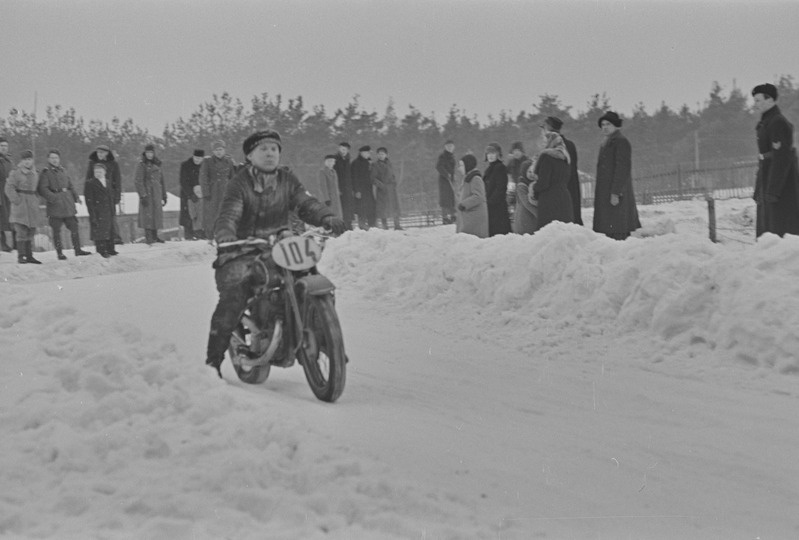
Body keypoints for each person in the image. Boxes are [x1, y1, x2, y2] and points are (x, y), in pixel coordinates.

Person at [205, 130, 347, 377]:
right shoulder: (239, 182)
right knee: (234, 297)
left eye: (274, 149)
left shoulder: (287, 179)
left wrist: (326, 217)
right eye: (263, 149)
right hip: (242, 249)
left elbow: (304, 203)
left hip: (280, 245)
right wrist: (226, 234)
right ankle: (212, 362)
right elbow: (229, 213)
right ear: (250, 155)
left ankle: (326, 339)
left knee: (308, 272)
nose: (270, 153)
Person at [752, 83, 799, 237]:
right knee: (769, 226)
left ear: (770, 100)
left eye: (758, 100)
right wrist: (759, 187)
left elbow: (782, 158)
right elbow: (764, 158)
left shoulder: (777, 122)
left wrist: (773, 190)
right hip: (768, 179)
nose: (755, 104)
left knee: (780, 226)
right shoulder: (766, 122)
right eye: (755, 100)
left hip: (781, 185)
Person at [593, 111, 641, 240]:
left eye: (608, 124)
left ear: (615, 125)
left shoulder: (620, 141)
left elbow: (622, 169)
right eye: (602, 124)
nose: (605, 127)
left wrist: (615, 192)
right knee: (609, 229)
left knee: (618, 229)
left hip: (616, 194)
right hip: (606, 192)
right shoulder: (607, 142)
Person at [37, 149, 91, 259]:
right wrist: (54, 198)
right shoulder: (46, 173)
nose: (55, 160)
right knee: (56, 231)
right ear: (48, 159)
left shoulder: (63, 170)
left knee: (74, 227)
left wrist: (76, 197)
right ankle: (59, 253)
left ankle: (77, 249)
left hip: (68, 204)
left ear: (59, 159)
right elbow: (42, 189)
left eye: (56, 158)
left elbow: (70, 185)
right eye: (52, 158)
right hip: (55, 207)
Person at [542, 116, 583, 225]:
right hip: (571, 187)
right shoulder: (570, 144)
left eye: (544, 128)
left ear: (548, 129)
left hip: (558, 189)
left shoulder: (553, 146)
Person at [4, 150, 42, 264]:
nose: (27, 162)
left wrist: (37, 199)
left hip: (32, 204)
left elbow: (38, 188)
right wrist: (17, 200)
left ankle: (30, 256)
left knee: (31, 231)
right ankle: (21, 256)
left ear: (32, 160)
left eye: (29, 159)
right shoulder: (15, 173)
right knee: (21, 231)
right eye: (25, 160)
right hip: (20, 205)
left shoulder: (35, 173)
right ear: (21, 161)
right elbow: (9, 188)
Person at [532, 131, 574, 230]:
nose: (542, 144)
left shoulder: (546, 157)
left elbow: (543, 183)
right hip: (564, 198)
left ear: (550, 142)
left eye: (544, 141)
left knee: (548, 234)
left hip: (549, 200)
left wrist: (534, 188)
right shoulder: (565, 158)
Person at [85, 144, 123, 244]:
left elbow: (117, 180)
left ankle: (115, 237)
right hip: (97, 194)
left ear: (107, 153)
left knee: (111, 217)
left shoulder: (113, 164)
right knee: (97, 218)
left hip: (109, 193)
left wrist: (117, 195)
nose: (99, 154)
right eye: (98, 152)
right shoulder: (92, 163)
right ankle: (100, 241)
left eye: (102, 152)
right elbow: (88, 178)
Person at [200, 140, 236, 235]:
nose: (218, 152)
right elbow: (203, 178)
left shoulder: (229, 162)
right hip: (212, 191)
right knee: (211, 214)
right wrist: (206, 193)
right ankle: (210, 234)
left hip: (225, 191)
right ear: (213, 151)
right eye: (216, 150)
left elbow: (233, 178)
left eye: (220, 149)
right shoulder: (207, 161)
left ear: (224, 150)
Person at [134, 143, 167, 244]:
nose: (149, 155)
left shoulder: (157, 164)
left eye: (151, 152)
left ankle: (155, 236)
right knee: (147, 215)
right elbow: (138, 181)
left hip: (156, 193)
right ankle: (149, 237)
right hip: (147, 193)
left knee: (156, 215)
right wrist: (143, 195)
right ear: (145, 153)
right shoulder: (141, 165)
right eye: (148, 152)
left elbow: (162, 181)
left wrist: (164, 195)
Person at [84, 162, 118, 257]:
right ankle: (102, 251)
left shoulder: (108, 182)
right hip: (98, 211)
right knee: (100, 232)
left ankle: (111, 249)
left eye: (100, 171)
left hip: (108, 211)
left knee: (110, 230)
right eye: (96, 171)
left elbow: (111, 197)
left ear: (104, 172)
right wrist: (93, 214)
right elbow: (89, 200)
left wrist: (112, 210)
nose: (98, 173)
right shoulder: (90, 183)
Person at [455, 154, 488, 238]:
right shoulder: (468, 178)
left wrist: (464, 204)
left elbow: (479, 196)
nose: (459, 168)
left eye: (461, 165)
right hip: (469, 216)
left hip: (474, 217)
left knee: (472, 242)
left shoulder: (475, 178)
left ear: (468, 165)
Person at [483, 142, 511, 236]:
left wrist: (490, 201)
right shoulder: (490, 169)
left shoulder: (500, 168)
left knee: (499, 235)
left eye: (493, 153)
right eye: (488, 153)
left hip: (498, 208)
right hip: (491, 207)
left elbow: (501, 188)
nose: (490, 156)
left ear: (498, 154)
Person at [372, 147, 402, 230]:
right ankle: (385, 226)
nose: (381, 156)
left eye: (382, 154)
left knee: (394, 206)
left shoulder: (389, 163)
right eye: (379, 154)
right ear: (377, 155)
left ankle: (397, 225)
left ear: (386, 155)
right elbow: (373, 178)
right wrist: (381, 186)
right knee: (383, 208)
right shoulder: (375, 165)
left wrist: (394, 182)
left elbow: (393, 174)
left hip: (391, 188)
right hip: (382, 190)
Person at [180, 149, 205, 239]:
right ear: (193, 156)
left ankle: (199, 234)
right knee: (189, 215)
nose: (197, 160)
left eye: (199, 158)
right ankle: (189, 235)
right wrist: (190, 194)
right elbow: (183, 181)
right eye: (196, 158)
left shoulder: (205, 166)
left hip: (201, 195)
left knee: (200, 215)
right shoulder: (186, 165)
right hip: (188, 195)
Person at [351, 145, 376, 229]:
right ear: (361, 153)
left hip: (368, 189)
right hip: (360, 190)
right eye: (367, 152)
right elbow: (354, 177)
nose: (368, 154)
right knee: (361, 209)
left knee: (371, 207)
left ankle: (372, 226)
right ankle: (362, 226)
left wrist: (371, 165)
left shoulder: (368, 162)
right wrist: (357, 190)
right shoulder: (355, 163)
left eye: (369, 153)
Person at [512, 159, 538, 234]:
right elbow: (526, 203)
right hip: (524, 217)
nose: (532, 174)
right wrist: (538, 214)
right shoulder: (522, 186)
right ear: (524, 172)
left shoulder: (534, 184)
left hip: (531, 217)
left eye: (533, 171)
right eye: (529, 172)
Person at [333, 142, 354, 226]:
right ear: (339, 149)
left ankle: (349, 224)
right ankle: (342, 225)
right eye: (341, 149)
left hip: (348, 187)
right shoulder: (335, 159)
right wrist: (337, 188)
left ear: (348, 150)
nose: (343, 151)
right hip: (340, 187)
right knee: (341, 207)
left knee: (349, 206)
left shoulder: (348, 159)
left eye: (345, 149)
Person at [436, 140, 457, 224]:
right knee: (445, 199)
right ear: (445, 147)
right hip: (444, 181)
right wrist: (446, 174)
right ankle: (445, 218)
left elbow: (452, 168)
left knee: (452, 198)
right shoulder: (442, 156)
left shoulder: (452, 156)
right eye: (448, 146)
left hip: (450, 179)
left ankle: (453, 216)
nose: (450, 148)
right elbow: (438, 167)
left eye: (451, 146)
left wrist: (453, 175)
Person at [0, 137, 14, 252]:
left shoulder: (9, 161)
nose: (4, 148)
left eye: (6, 146)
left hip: (8, 192)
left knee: (10, 217)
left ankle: (16, 244)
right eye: (1, 146)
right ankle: (2, 244)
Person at [318, 154, 342, 218]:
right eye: (330, 161)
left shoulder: (334, 172)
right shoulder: (322, 172)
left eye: (333, 161)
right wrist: (326, 199)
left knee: (337, 215)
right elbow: (323, 186)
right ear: (326, 162)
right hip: (329, 198)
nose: (332, 163)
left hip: (336, 198)